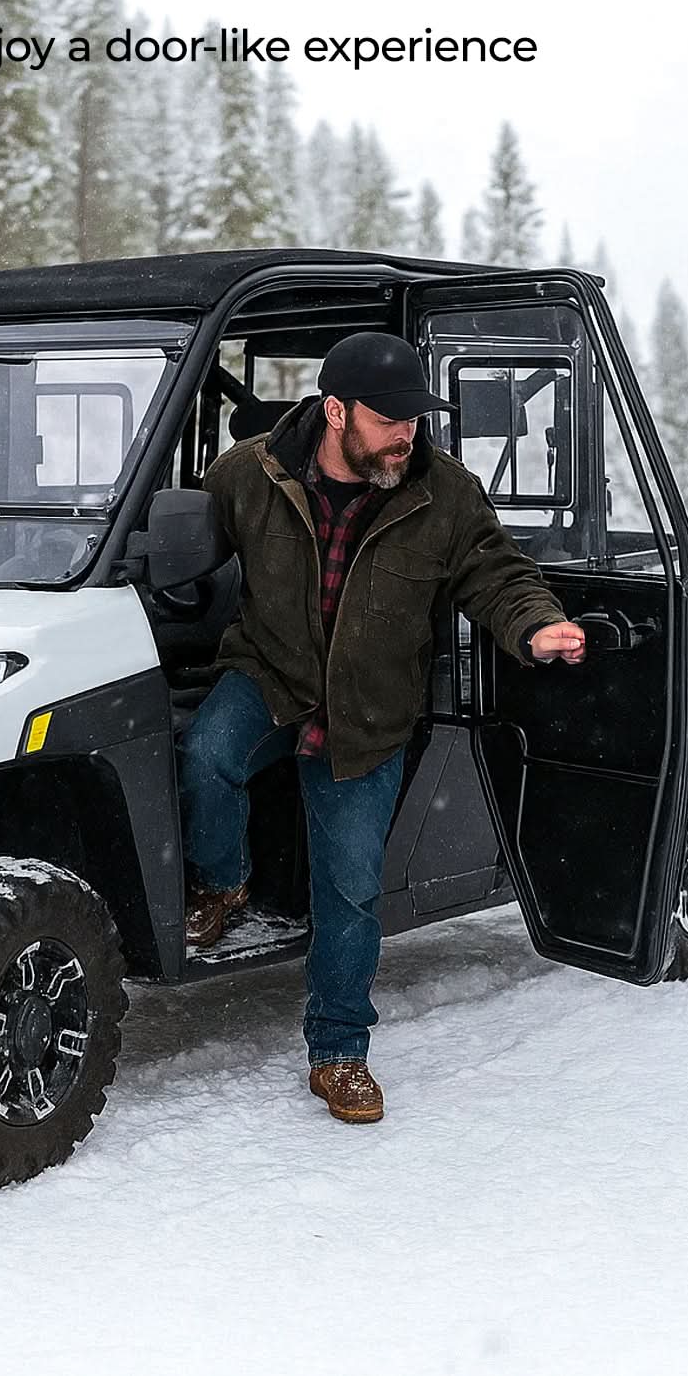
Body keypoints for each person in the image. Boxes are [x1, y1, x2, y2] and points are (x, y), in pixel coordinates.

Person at [177, 331, 586, 1123]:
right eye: (389, 418)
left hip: (367, 711)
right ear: (335, 412)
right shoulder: (248, 473)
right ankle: (224, 886)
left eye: (415, 418)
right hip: (272, 675)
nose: (408, 433)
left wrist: (535, 625)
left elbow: (497, 572)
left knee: (351, 890)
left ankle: (338, 1054)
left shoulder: (444, 493)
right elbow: (183, 538)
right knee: (207, 756)